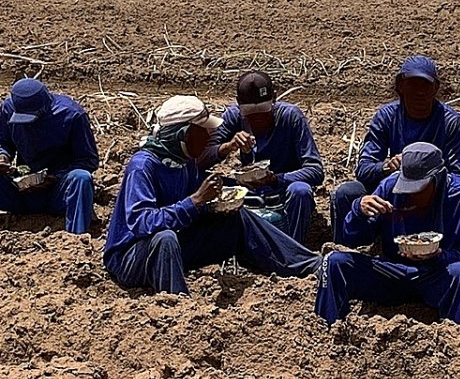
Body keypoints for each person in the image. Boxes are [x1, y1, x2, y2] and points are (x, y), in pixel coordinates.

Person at [104, 95, 321, 295]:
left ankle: (305, 264)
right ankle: (178, 305)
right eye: (203, 131)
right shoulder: (143, 166)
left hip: (172, 251)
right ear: (184, 135)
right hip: (132, 258)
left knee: (235, 219)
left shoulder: (184, 162)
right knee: (165, 238)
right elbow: (141, 222)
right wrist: (196, 201)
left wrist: (225, 191)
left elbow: (194, 196)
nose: (209, 137)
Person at [316, 142, 460, 326]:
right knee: (334, 262)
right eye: (407, 188)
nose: (411, 195)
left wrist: (437, 255)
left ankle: (453, 336)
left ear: (437, 178)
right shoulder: (389, 187)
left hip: (436, 275)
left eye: (418, 189)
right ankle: (329, 329)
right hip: (392, 272)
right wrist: (358, 211)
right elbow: (355, 239)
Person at [330, 55, 460, 244]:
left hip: (431, 194)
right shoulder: (386, 117)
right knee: (346, 193)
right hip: (391, 190)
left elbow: (457, 176)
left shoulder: (450, 122)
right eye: (413, 85)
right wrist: (386, 167)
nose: (420, 92)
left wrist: (428, 180)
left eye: (425, 85)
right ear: (400, 86)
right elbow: (364, 169)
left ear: (435, 88)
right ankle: (346, 248)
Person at [198, 71, 323, 243]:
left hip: (283, 189)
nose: (258, 118)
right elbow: (200, 158)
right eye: (250, 112)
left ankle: (293, 249)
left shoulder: (291, 117)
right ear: (239, 103)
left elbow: (315, 170)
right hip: (248, 190)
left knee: (300, 191)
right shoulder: (234, 116)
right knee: (201, 181)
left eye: (263, 111)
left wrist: (275, 179)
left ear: (274, 98)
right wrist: (228, 147)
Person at [0, 78, 99, 234]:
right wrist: (3, 156)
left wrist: (56, 177)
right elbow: (3, 142)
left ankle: (76, 239)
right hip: (20, 191)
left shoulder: (72, 115)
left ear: (45, 108)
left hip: (57, 192)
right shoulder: (7, 109)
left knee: (81, 178)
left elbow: (88, 160)